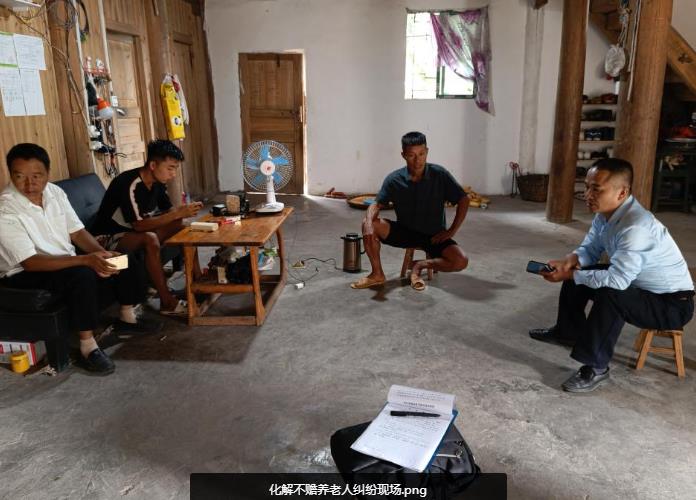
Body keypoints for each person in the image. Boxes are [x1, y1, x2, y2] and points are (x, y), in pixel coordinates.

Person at [529, 158, 694, 393]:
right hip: (639, 286)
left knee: (611, 293)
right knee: (580, 273)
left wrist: (571, 276)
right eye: (587, 187)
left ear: (622, 192)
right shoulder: (605, 214)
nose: (587, 195)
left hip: (671, 305)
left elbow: (618, 281)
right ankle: (567, 332)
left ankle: (596, 367)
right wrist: (568, 262)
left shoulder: (636, 227)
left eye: (596, 189)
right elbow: (590, 249)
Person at [0, 143, 153, 375]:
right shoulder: (5, 209)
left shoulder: (54, 192)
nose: (29, 184)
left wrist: (101, 253)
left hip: (62, 262)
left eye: (36, 176)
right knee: (82, 275)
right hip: (23, 273)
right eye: (20, 176)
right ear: (11, 174)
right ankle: (88, 347)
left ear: (47, 173)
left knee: (123, 259)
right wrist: (86, 260)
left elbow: (77, 232)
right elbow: (30, 262)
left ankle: (127, 317)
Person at [92, 139, 203, 315]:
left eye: (175, 168)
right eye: (170, 168)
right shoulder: (128, 183)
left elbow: (169, 211)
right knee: (150, 238)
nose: (173, 174)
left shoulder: (157, 183)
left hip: (132, 233)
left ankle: (199, 282)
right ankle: (166, 301)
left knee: (183, 226)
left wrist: (183, 213)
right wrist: (177, 213)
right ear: (152, 165)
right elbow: (139, 225)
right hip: (106, 238)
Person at [351, 131, 470, 291]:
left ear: (427, 151)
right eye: (411, 155)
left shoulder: (439, 174)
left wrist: (451, 231)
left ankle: (419, 265)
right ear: (403, 155)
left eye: (421, 154)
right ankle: (377, 274)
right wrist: (369, 222)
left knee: (461, 261)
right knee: (369, 223)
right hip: (405, 233)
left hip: (434, 236)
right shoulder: (394, 179)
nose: (417, 160)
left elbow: (463, 200)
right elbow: (376, 204)